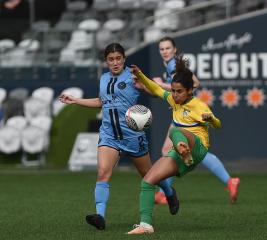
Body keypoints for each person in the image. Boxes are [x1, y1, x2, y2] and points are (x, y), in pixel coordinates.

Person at [59, 43, 176, 231]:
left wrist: (145, 85)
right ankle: (100, 216)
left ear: (124, 59)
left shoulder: (133, 75)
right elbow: (101, 101)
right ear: (106, 61)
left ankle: (169, 193)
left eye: (118, 59)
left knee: (150, 176)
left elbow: (156, 93)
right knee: (103, 172)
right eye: (111, 59)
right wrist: (76, 100)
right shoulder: (104, 78)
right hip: (109, 135)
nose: (115, 63)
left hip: (132, 136)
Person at [127, 56, 222, 234]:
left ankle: (182, 149)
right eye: (173, 91)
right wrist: (140, 74)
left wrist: (212, 119)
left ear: (189, 91)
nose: (175, 94)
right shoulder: (173, 100)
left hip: (198, 147)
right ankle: (146, 225)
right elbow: (155, 88)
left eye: (179, 91)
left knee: (173, 132)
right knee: (148, 181)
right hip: (180, 149)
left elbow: (218, 125)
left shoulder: (199, 106)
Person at [153, 36, 240, 205]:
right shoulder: (174, 64)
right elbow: (193, 83)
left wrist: (160, 84)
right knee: (184, 150)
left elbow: (193, 84)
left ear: (175, 49)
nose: (165, 51)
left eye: (167, 48)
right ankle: (229, 181)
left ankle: (164, 193)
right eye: (162, 49)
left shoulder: (172, 65)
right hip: (187, 111)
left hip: (188, 113)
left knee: (171, 150)